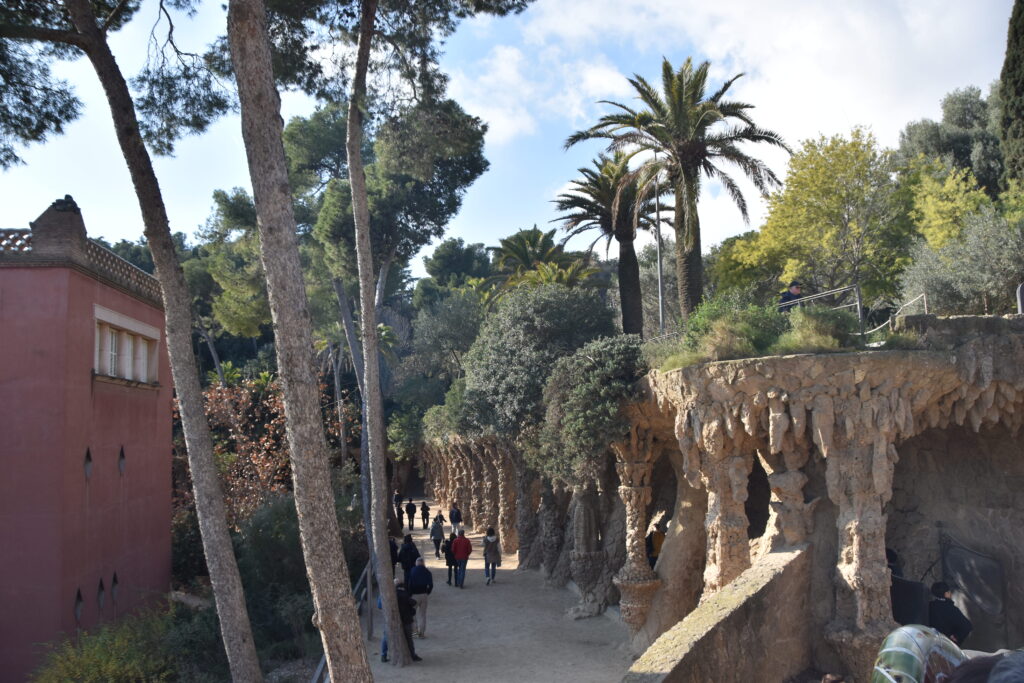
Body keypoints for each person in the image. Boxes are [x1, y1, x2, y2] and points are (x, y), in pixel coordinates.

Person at [929, 581, 972, 645]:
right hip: (946, 645)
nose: (950, 593)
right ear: (946, 594)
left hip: (929, 642)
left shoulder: (929, 605)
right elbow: (968, 626)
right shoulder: (952, 610)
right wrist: (956, 637)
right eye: (949, 592)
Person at [394, 577, 422, 661]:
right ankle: (412, 655)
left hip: (397, 619)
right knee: (409, 639)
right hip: (406, 619)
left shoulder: (393, 594)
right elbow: (413, 602)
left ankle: (386, 655)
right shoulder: (404, 594)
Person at [408, 557, 434, 637]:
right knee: (422, 614)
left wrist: (409, 594)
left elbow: (410, 584)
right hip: (424, 594)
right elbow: (431, 585)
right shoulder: (427, 572)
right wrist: (427, 592)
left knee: (412, 613)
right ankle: (422, 632)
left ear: (416, 563)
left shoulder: (413, 570)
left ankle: (415, 630)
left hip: (415, 595)